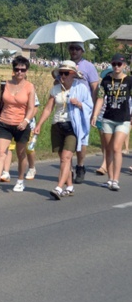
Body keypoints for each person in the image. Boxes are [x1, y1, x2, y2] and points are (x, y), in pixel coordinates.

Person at [34, 61, 92, 199]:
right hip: (58, 125)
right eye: (61, 73)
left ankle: (59, 187)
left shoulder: (81, 88)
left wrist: (79, 104)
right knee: (63, 159)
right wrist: (39, 125)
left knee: (66, 157)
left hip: (73, 126)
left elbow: (89, 105)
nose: (63, 76)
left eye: (66, 73)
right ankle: (69, 186)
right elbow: (48, 108)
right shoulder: (56, 89)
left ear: (73, 74)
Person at [0, 56, 35, 194]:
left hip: (21, 125)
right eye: (16, 69)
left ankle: (20, 180)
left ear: (26, 71)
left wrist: (25, 121)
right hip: (4, 123)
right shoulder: (5, 84)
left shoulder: (30, 87)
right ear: (13, 70)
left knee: (21, 154)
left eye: (22, 70)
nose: (19, 72)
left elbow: (31, 108)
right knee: (1, 153)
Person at [91, 53, 132, 191]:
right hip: (108, 118)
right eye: (114, 64)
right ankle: (109, 179)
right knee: (108, 149)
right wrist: (95, 115)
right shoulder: (106, 80)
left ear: (124, 65)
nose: (116, 67)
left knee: (116, 148)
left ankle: (116, 179)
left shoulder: (129, 81)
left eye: (119, 64)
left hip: (123, 119)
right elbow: (101, 98)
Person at [68, 42, 99, 183]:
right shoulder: (66, 63)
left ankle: (80, 166)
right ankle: (67, 170)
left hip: (83, 106)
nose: (74, 51)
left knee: (82, 138)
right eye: (71, 48)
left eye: (77, 49)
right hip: (68, 105)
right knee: (67, 139)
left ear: (82, 51)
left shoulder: (88, 66)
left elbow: (94, 87)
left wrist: (91, 108)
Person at [95, 66, 113, 177]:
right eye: (107, 75)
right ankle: (106, 161)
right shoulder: (102, 88)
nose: (109, 77)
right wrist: (95, 115)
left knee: (109, 143)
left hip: (113, 118)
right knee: (103, 142)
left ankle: (105, 164)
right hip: (101, 117)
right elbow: (99, 100)